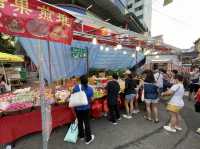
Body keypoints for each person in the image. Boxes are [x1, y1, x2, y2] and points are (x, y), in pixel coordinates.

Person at [73, 75, 95, 144]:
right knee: (86, 122)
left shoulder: (76, 88)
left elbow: (73, 96)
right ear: (87, 81)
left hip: (78, 108)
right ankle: (88, 139)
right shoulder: (90, 89)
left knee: (80, 121)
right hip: (86, 108)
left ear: (80, 81)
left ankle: (81, 136)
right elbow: (91, 99)